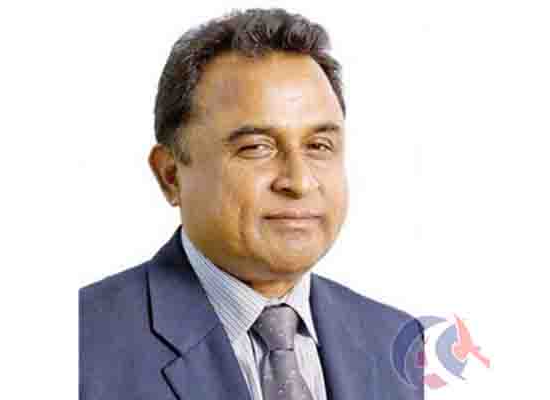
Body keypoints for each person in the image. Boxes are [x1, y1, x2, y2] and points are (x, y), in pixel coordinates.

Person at [79, 8, 424, 400]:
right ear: (171, 175)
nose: (299, 181)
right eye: (257, 147)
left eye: (319, 145)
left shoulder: (396, 341)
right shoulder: (80, 346)